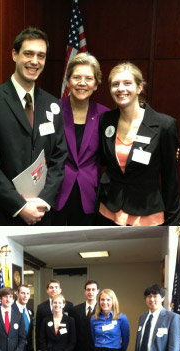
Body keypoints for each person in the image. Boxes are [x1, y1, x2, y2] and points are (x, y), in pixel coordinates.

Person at [0, 27, 68, 226]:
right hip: (3, 213)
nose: (35, 61)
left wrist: (43, 201)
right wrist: (20, 206)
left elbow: (59, 158)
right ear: (14, 54)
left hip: (42, 213)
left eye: (41, 56)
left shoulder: (53, 104)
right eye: (28, 54)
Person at [96, 61, 180, 226]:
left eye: (127, 83)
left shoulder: (164, 125)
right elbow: (102, 159)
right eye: (115, 84)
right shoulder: (106, 120)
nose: (121, 88)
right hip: (108, 210)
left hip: (145, 214)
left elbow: (170, 178)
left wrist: (174, 222)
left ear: (139, 87)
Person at [52, 53, 110, 226]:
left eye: (88, 78)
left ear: (96, 84)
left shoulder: (105, 115)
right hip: (56, 192)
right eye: (76, 77)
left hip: (89, 194)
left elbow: (120, 147)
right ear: (68, 81)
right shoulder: (53, 109)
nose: (82, 83)